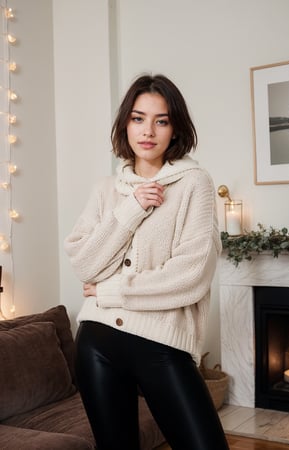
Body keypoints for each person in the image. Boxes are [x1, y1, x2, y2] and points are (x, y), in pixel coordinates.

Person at [64, 74, 229, 450]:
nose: (148, 131)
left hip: (162, 343)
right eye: (138, 118)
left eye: (161, 120)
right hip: (97, 343)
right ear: (125, 124)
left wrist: (109, 290)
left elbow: (190, 276)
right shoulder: (106, 190)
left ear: (175, 128)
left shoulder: (194, 183)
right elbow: (84, 264)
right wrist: (132, 208)